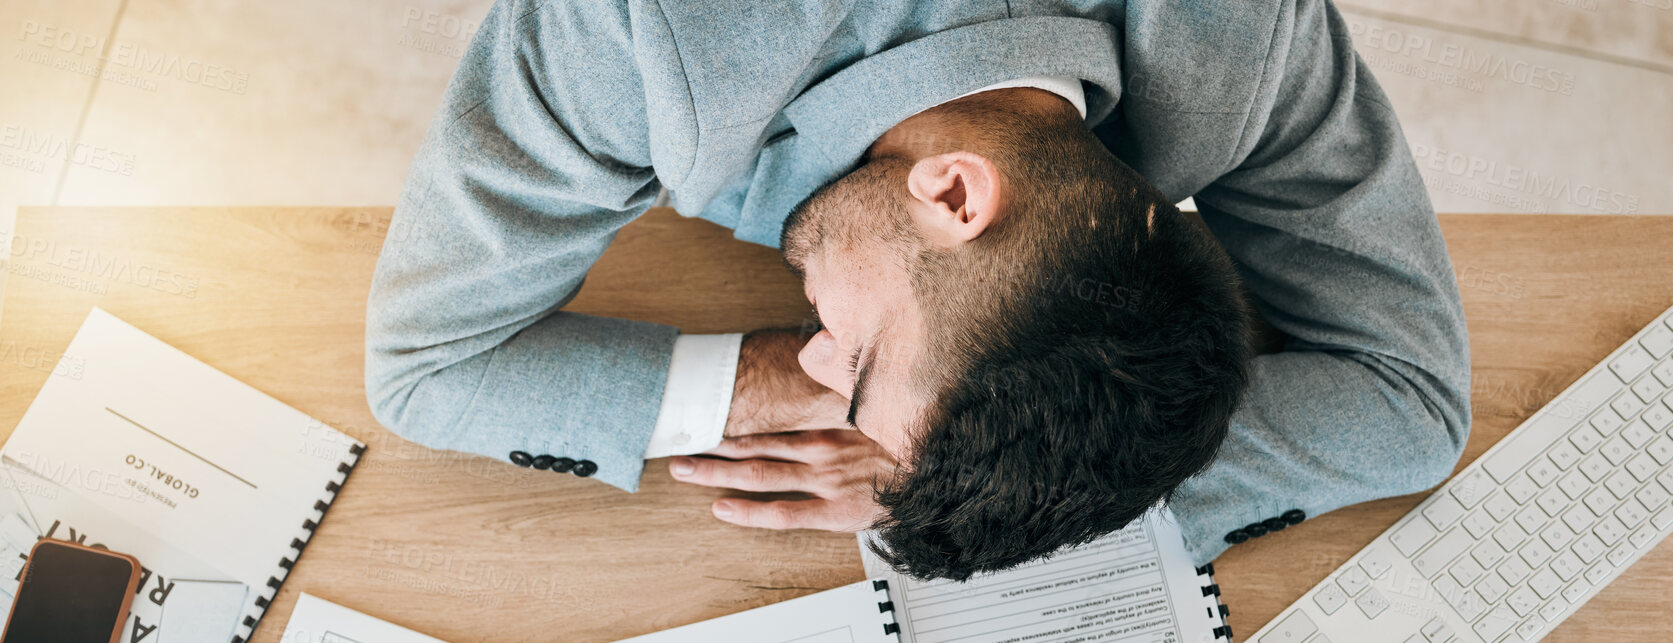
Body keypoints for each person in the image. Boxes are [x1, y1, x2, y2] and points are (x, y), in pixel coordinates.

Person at [366, 0, 1470, 581]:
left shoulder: (1239, 41)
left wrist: (966, 467)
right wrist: (774, 394)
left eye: (836, 374)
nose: (813, 362)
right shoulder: (647, 30)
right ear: (949, 196)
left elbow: (1412, 403)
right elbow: (427, 367)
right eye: (859, 364)